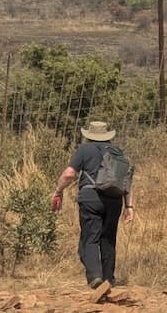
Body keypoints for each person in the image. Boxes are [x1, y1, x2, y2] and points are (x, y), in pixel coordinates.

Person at [52, 121, 134, 291]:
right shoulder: (117, 151)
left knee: (89, 239)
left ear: (89, 135)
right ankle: (109, 279)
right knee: (108, 239)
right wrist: (129, 207)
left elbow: (69, 174)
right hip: (114, 201)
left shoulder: (84, 150)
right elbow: (126, 181)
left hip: (91, 198)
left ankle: (95, 277)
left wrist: (58, 191)